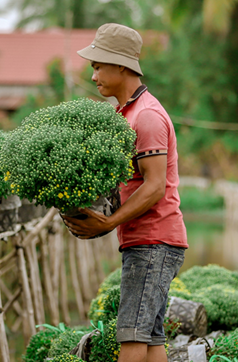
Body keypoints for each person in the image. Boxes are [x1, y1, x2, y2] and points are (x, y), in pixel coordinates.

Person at [63, 23, 188, 362]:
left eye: (97, 66)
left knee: (131, 338)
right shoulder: (127, 114)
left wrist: (107, 223)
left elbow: (155, 185)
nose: (93, 76)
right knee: (150, 341)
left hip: (153, 242)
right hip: (149, 242)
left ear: (122, 66)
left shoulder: (146, 116)